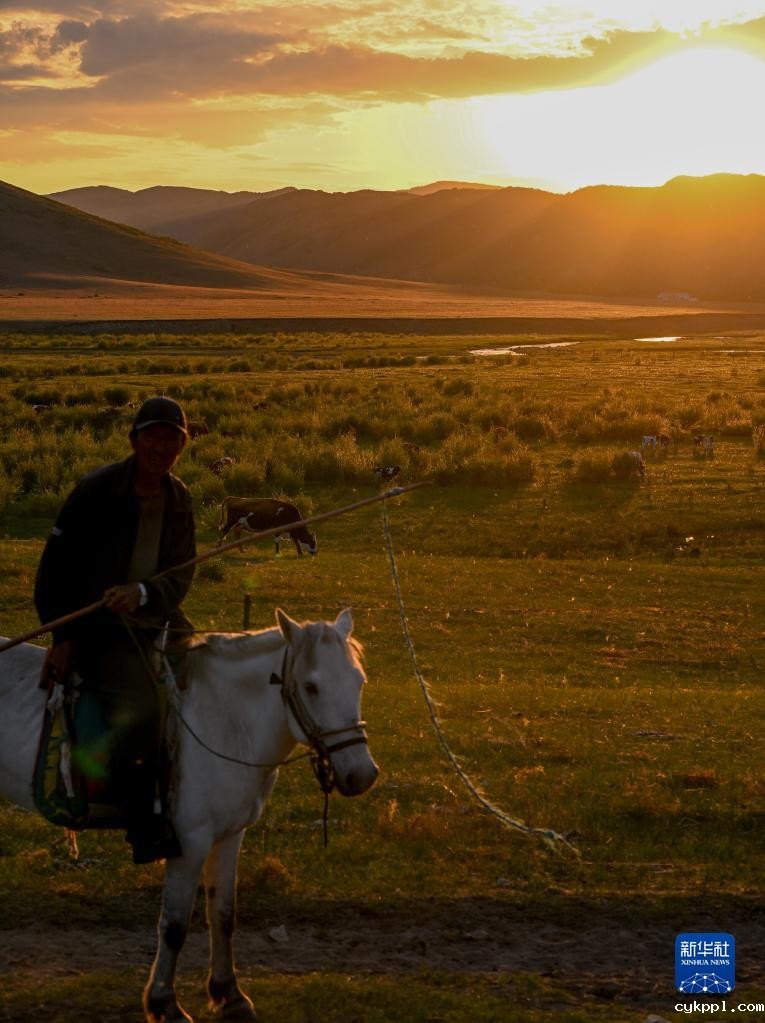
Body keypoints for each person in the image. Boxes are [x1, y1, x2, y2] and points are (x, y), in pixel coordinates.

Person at [34, 396, 196, 863]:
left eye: (172, 439)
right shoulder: (95, 491)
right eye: (152, 436)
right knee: (141, 702)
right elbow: (54, 569)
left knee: (214, 670)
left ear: (182, 446)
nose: (161, 448)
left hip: (156, 616)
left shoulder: (180, 499)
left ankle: (196, 787)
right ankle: (143, 825)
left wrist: (143, 593)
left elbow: (180, 575)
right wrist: (63, 640)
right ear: (134, 440)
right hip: (96, 626)